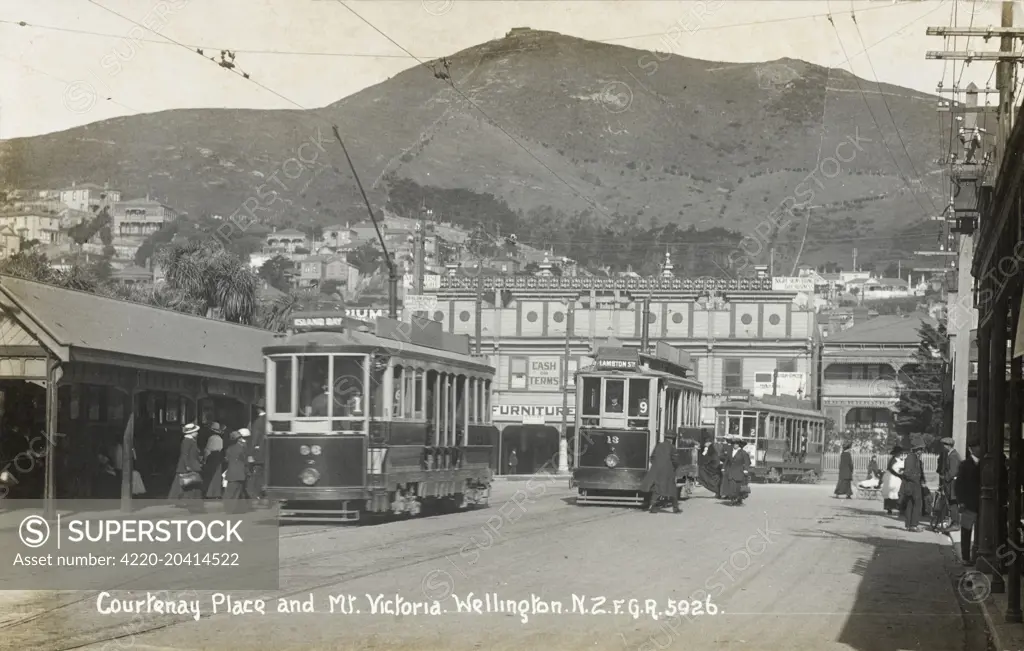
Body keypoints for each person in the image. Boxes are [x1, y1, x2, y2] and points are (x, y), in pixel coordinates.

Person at [955, 437, 981, 565]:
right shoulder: (965, 465)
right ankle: (966, 557)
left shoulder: (987, 463)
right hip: (968, 504)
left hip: (983, 504)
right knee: (966, 531)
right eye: (978, 446)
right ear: (971, 449)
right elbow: (959, 484)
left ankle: (979, 556)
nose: (980, 449)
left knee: (982, 532)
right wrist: (961, 501)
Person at [641, 432, 681, 514]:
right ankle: (675, 508)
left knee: (657, 488)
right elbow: (675, 461)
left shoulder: (658, 445)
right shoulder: (672, 447)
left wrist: (657, 465)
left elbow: (652, 458)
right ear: (673, 439)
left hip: (657, 470)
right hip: (668, 471)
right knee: (672, 489)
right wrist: (675, 468)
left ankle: (652, 506)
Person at [168, 423, 204, 513]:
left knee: (187, 483)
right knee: (185, 483)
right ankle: (181, 500)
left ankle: (186, 500)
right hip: (188, 465)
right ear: (192, 432)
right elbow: (185, 454)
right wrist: (187, 465)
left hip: (191, 464)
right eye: (196, 431)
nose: (197, 433)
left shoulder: (191, 440)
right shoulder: (187, 441)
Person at [897, 436, 926, 532]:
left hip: (913, 484)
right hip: (912, 485)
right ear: (916, 449)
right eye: (920, 449)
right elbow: (907, 473)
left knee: (910, 504)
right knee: (917, 504)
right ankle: (913, 525)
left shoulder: (915, 458)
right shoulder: (911, 457)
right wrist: (917, 480)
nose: (921, 451)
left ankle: (909, 525)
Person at [935, 437, 961, 532]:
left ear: (948, 446)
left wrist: (944, 478)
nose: (943, 448)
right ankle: (954, 522)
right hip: (950, 484)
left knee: (953, 503)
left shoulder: (953, 456)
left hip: (952, 484)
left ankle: (955, 523)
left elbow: (953, 471)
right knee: (951, 503)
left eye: (944, 445)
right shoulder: (950, 454)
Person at [223, 429, 251, 514]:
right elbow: (245, 461)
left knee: (231, 491)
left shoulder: (230, 448)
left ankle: (234, 508)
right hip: (240, 472)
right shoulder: (242, 448)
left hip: (231, 472)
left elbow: (227, 459)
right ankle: (231, 509)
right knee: (236, 491)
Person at [248, 400, 268, 508]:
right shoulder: (269, 420)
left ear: (258, 409)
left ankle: (255, 495)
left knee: (256, 475)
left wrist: (251, 453)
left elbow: (255, 439)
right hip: (269, 452)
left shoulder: (258, 421)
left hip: (259, 453)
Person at [720, 437, 751, 506]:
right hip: (731, 472)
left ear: (739, 445)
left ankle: (739, 499)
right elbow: (726, 461)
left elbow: (747, 462)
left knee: (738, 487)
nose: (735, 445)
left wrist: (746, 469)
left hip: (740, 472)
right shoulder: (730, 452)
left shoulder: (743, 453)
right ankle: (732, 500)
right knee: (732, 487)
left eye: (736, 444)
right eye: (734, 444)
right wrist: (723, 468)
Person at [203, 422, 226, 499]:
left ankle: (209, 493)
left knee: (210, 475)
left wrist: (204, 459)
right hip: (218, 457)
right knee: (217, 475)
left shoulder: (211, 438)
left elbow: (207, 450)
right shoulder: (220, 439)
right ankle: (217, 493)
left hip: (211, 457)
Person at [697, 430, 721, 497]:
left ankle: (717, 491)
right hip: (713, 464)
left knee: (703, 473)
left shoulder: (710, 448)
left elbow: (708, 458)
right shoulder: (709, 447)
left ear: (707, 442)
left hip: (712, 466)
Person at [881, 445, 904, 515]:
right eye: (898, 453)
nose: (899, 454)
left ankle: (898, 507)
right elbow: (891, 469)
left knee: (897, 492)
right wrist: (899, 474)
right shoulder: (892, 460)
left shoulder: (900, 460)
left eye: (900, 453)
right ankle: (889, 508)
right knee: (890, 492)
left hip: (898, 478)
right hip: (892, 477)